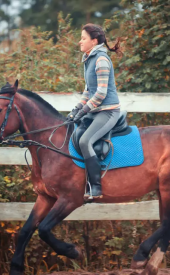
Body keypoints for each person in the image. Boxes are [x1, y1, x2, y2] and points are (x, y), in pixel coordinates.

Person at [67, 23, 121, 199]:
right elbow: (88, 91)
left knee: (85, 141)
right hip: (95, 111)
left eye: (83, 38)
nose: (80, 42)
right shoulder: (88, 58)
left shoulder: (101, 60)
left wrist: (83, 110)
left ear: (94, 41)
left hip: (108, 111)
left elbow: (101, 93)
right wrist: (76, 109)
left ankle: (95, 187)